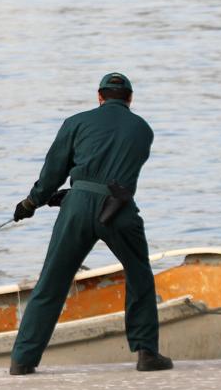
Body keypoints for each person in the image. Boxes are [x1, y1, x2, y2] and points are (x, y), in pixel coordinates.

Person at [9, 73, 173, 374]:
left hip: (77, 208)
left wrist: (32, 202)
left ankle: (23, 360)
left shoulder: (75, 122)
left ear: (99, 96)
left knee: (51, 282)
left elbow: (53, 172)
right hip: (119, 208)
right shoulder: (143, 129)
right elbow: (119, 171)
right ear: (130, 99)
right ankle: (146, 352)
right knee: (139, 275)